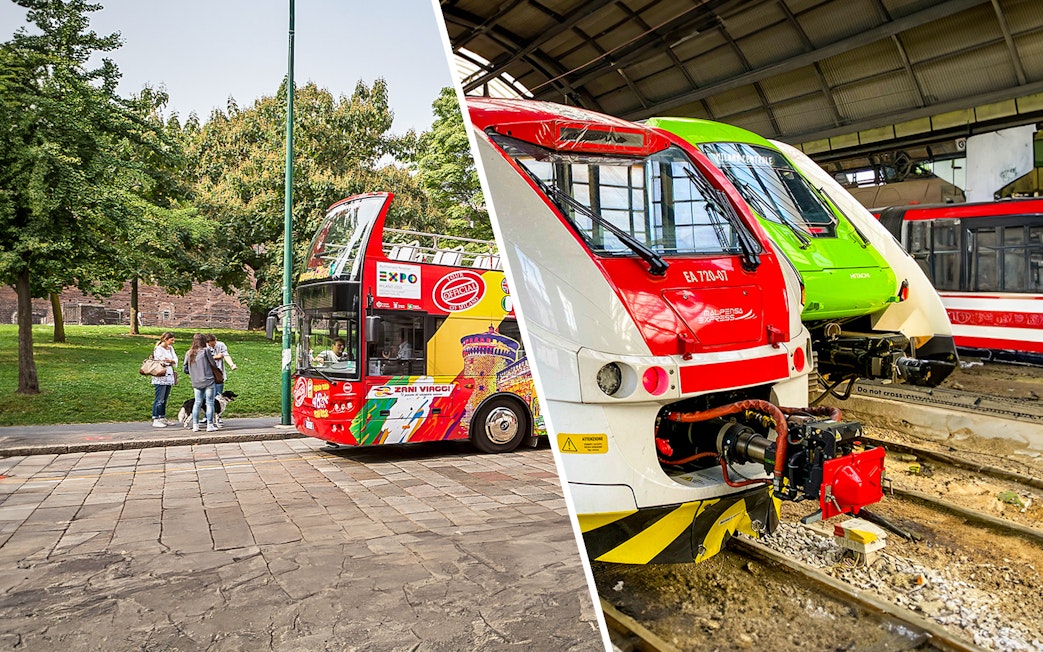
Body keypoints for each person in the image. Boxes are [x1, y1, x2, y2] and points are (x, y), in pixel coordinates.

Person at [183, 333, 219, 432]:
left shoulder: (189, 353)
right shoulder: (206, 351)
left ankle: (195, 425)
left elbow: (185, 369)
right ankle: (210, 425)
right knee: (210, 402)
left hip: (196, 381)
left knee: (197, 402)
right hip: (208, 380)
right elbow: (213, 364)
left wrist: (193, 372)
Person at [204, 334, 236, 426]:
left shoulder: (221, 345)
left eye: (213, 344)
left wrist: (232, 365)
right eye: (210, 345)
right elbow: (203, 358)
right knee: (207, 397)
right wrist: (216, 357)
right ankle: (207, 416)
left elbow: (226, 355)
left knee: (218, 396)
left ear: (216, 340)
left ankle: (218, 416)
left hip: (218, 374)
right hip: (207, 374)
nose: (212, 346)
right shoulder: (204, 347)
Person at [150, 332, 178, 428]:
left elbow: (175, 359)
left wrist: (170, 361)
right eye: (171, 340)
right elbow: (161, 360)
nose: (173, 342)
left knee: (165, 398)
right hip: (161, 375)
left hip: (169, 375)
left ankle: (162, 416)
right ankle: (156, 418)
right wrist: (169, 361)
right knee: (159, 398)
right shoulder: (158, 349)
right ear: (165, 340)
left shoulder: (171, 349)